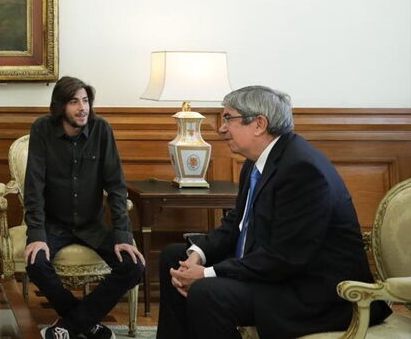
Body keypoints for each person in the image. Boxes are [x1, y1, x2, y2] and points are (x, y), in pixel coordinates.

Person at [157, 85, 392, 339]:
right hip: (274, 271)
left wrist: (206, 274)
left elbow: (285, 257)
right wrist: (197, 255)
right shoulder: (256, 162)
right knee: (174, 257)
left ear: (259, 124)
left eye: (228, 118)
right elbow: (237, 223)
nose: (221, 128)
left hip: (313, 292)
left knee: (207, 292)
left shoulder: (302, 169)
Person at [26, 76, 145, 339]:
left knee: (134, 266)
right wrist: (36, 234)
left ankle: (69, 325)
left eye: (85, 101)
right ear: (60, 107)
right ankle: (87, 323)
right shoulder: (42, 129)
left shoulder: (101, 129)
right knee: (35, 263)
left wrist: (123, 236)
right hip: (54, 225)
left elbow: (116, 187)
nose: (82, 108)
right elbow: (34, 186)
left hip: (93, 226)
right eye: (74, 102)